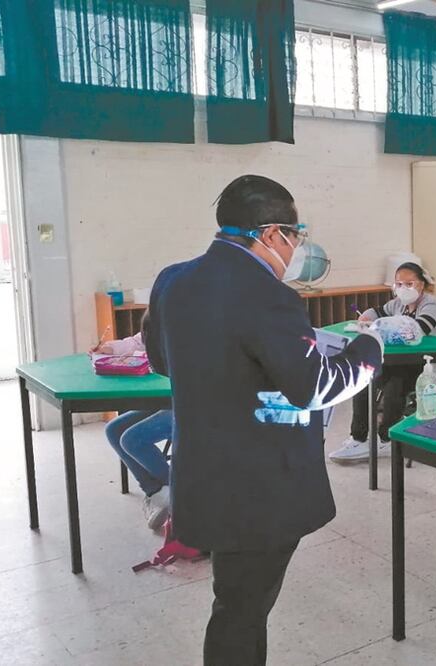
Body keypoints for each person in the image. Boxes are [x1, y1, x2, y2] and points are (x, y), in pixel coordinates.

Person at [142, 175, 382, 666]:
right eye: (295, 235)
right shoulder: (270, 294)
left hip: (202, 476)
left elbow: (163, 360)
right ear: (272, 233)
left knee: (237, 601)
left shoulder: (173, 279)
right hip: (259, 490)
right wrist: (369, 350)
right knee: (242, 610)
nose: (297, 247)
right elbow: (315, 387)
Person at [329, 261, 436, 463]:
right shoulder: (398, 304)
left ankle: (386, 438)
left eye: (409, 283)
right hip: (402, 361)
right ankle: (358, 437)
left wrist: (381, 327)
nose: (403, 289)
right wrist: (367, 318)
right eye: (398, 284)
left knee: (396, 381)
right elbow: (377, 312)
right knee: (364, 377)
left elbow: (418, 330)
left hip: (430, 364)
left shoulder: (432, 304)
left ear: (421, 284)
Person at [97, 328, 174, 531]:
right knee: (114, 430)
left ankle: (180, 496)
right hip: (170, 397)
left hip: (198, 404)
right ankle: (156, 492)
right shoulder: (164, 309)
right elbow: (139, 340)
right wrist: (111, 348)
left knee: (132, 440)